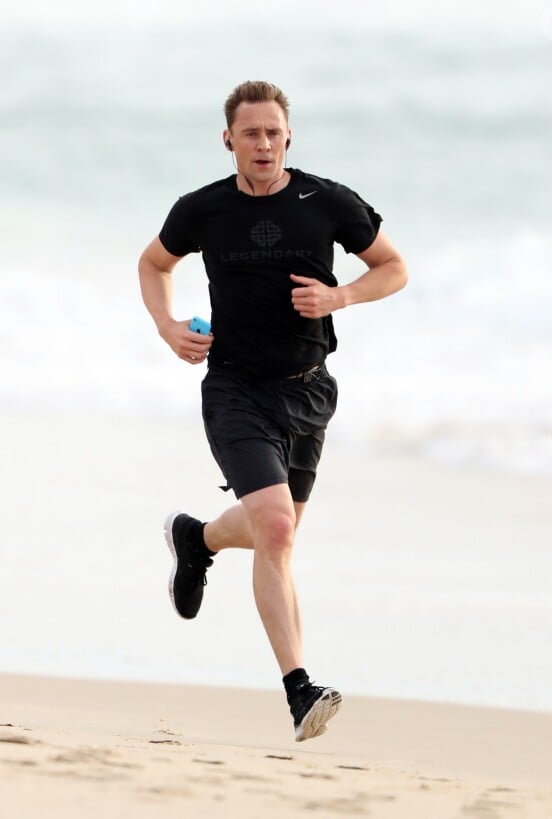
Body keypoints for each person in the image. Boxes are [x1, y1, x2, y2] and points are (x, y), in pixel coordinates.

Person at [138, 80, 407, 742]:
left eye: (273, 132)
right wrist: (167, 326)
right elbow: (153, 263)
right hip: (233, 387)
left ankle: (195, 539)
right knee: (278, 529)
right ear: (228, 139)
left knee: (271, 533)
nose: (262, 143)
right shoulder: (201, 209)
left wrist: (340, 297)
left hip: (308, 389)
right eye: (250, 132)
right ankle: (299, 690)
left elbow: (394, 267)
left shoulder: (327, 202)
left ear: (289, 137)